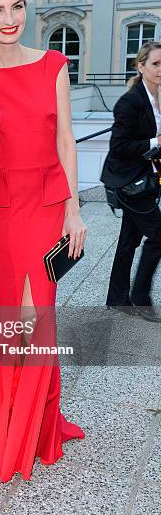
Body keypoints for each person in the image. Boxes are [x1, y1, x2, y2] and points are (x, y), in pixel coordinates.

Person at [0, 0, 86, 482]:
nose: (8, 18)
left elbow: (65, 140)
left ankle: (34, 429)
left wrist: (74, 209)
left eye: (15, 6)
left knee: (37, 316)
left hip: (45, 205)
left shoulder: (53, 65)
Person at [101, 41, 161, 323]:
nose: (160, 70)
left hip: (145, 178)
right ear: (141, 66)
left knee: (128, 241)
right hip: (128, 181)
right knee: (159, 235)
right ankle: (139, 297)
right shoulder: (130, 101)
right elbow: (118, 146)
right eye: (156, 64)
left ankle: (117, 299)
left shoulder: (157, 96)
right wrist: (155, 141)